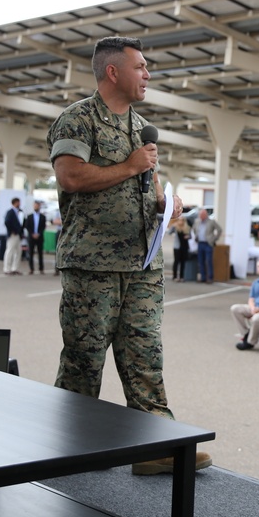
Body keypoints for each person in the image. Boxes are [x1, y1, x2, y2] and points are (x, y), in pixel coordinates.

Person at [47, 36, 209, 473]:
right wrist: (130, 166)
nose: (148, 74)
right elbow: (71, 177)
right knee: (84, 359)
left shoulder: (142, 129)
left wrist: (167, 204)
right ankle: (69, 448)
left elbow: (149, 190)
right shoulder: (77, 120)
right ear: (113, 72)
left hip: (142, 265)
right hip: (93, 265)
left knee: (145, 357)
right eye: (140, 67)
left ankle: (155, 446)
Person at [195, 208, 222, 284]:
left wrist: (214, 239)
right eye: (200, 215)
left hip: (208, 244)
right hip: (200, 243)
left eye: (202, 215)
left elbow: (219, 230)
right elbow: (194, 229)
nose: (201, 216)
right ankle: (203, 277)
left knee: (208, 261)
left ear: (206, 215)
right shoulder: (197, 222)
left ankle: (210, 277)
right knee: (201, 261)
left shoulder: (211, 222)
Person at [23, 200, 46, 275]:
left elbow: (43, 227)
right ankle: (31, 268)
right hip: (31, 237)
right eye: (35, 205)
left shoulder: (43, 217)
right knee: (31, 253)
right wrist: (32, 234)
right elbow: (27, 226)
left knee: (40, 253)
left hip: (39, 237)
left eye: (37, 205)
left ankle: (41, 268)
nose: (36, 207)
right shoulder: (29, 217)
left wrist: (38, 234)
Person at [3, 197, 23, 276]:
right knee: (10, 251)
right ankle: (7, 268)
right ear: (15, 203)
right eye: (18, 202)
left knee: (18, 251)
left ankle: (15, 268)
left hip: (18, 234)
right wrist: (12, 231)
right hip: (13, 234)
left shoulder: (20, 212)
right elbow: (7, 222)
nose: (19, 204)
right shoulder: (10, 212)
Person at [170, 215, 192, 282]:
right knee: (176, 262)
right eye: (180, 220)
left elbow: (190, 236)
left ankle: (182, 276)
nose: (181, 221)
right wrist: (173, 226)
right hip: (177, 247)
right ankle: (175, 276)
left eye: (182, 220)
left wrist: (188, 237)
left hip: (184, 247)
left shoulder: (187, 228)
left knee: (183, 262)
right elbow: (169, 232)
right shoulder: (175, 227)